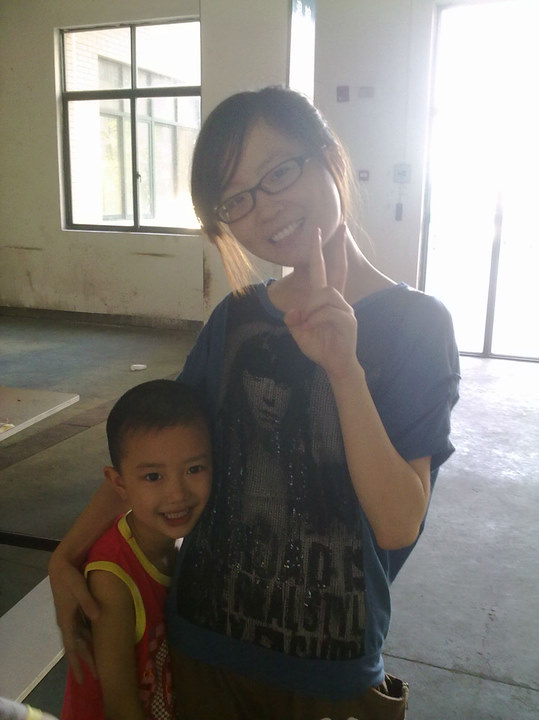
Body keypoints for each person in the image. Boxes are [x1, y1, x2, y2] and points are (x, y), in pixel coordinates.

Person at [49, 86, 460, 720]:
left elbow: (398, 523)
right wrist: (67, 554)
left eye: (278, 173)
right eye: (236, 199)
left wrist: (343, 369)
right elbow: (149, 451)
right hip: (205, 648)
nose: (264, 210)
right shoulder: (236, 319)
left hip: (328, 670)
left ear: (329, 156)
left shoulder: (416, 325)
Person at [60, 380, 212, 720]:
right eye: (154, 477)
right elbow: (119, 706)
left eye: (194, 469)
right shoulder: (112, 578)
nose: (177, 494)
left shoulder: (178, 542)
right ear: (119, 484)